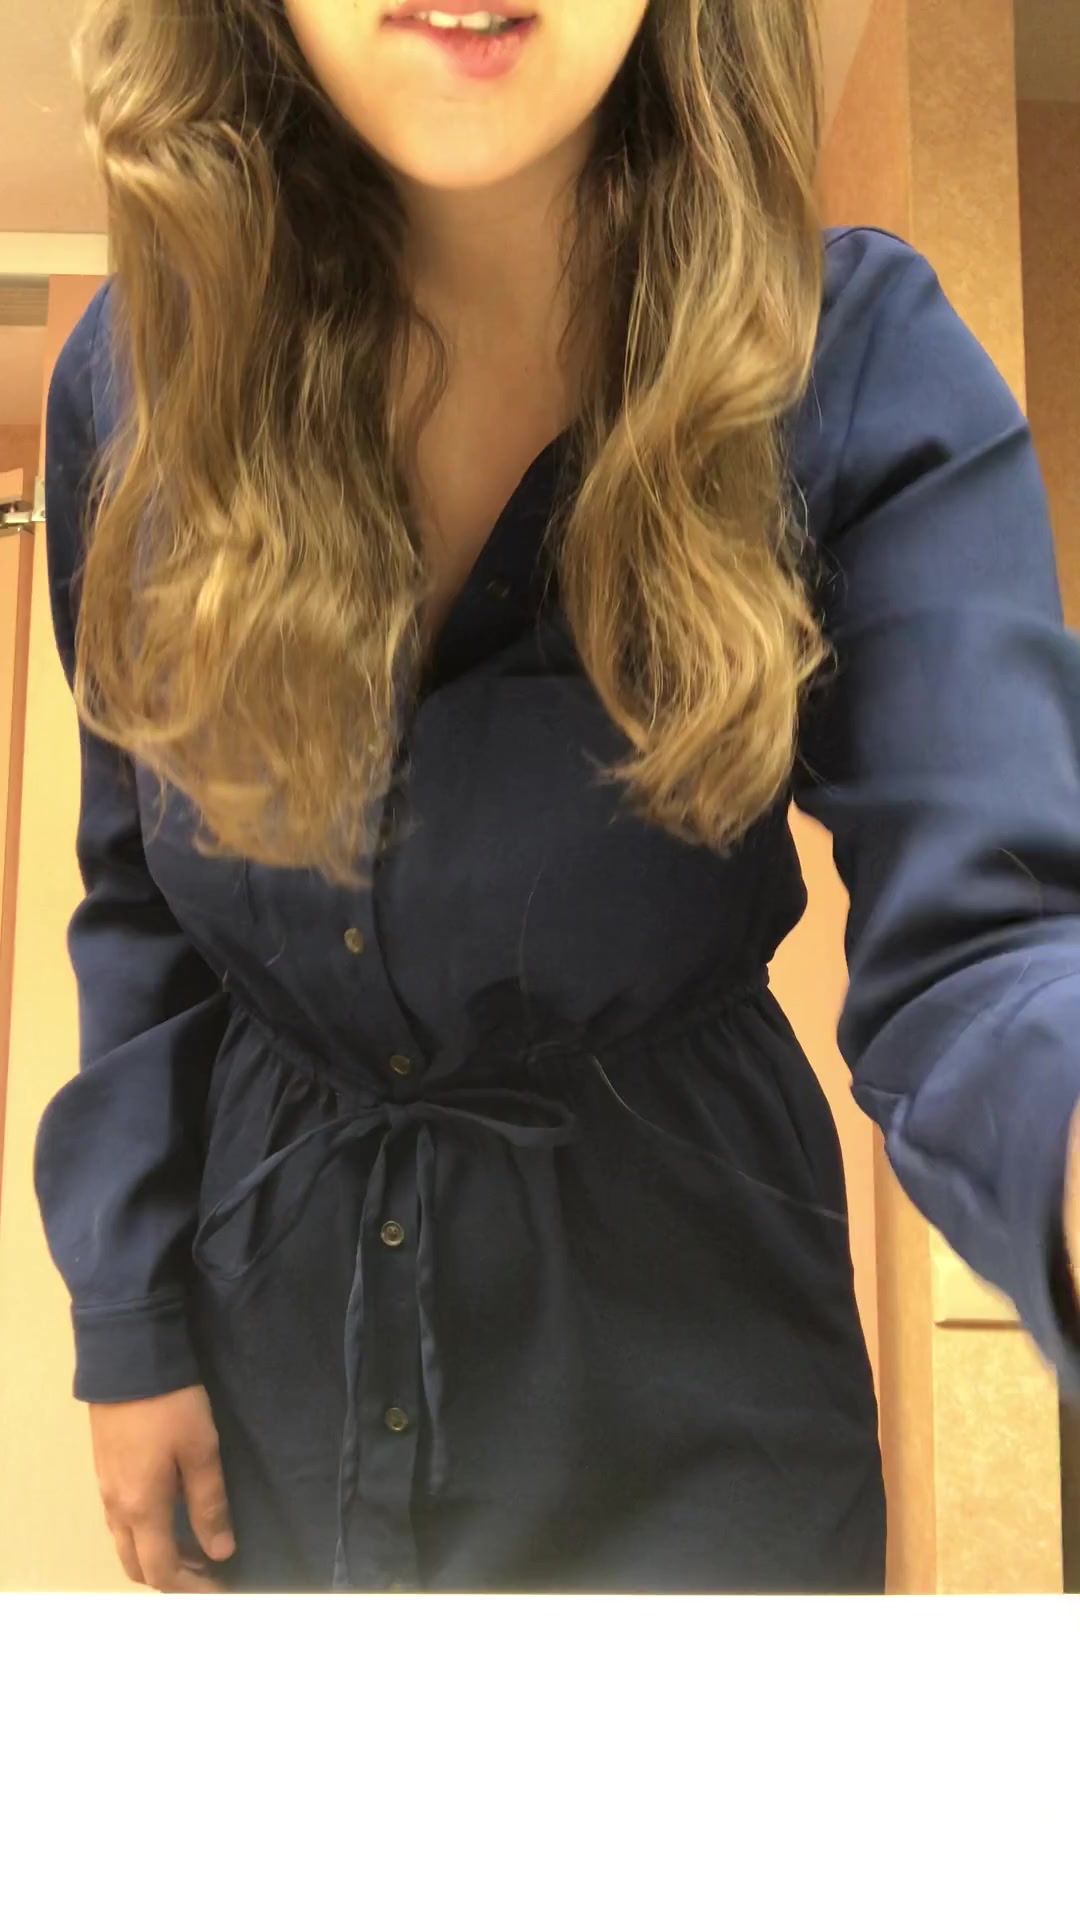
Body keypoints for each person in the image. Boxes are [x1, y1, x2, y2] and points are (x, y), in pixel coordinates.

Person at [34, 0, 1080, 1597]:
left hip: (693, 1385)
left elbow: (993, 939)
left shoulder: (855, 362)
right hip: (271, 1366)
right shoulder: (130, 383)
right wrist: (128, 1319)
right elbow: (140, 904)